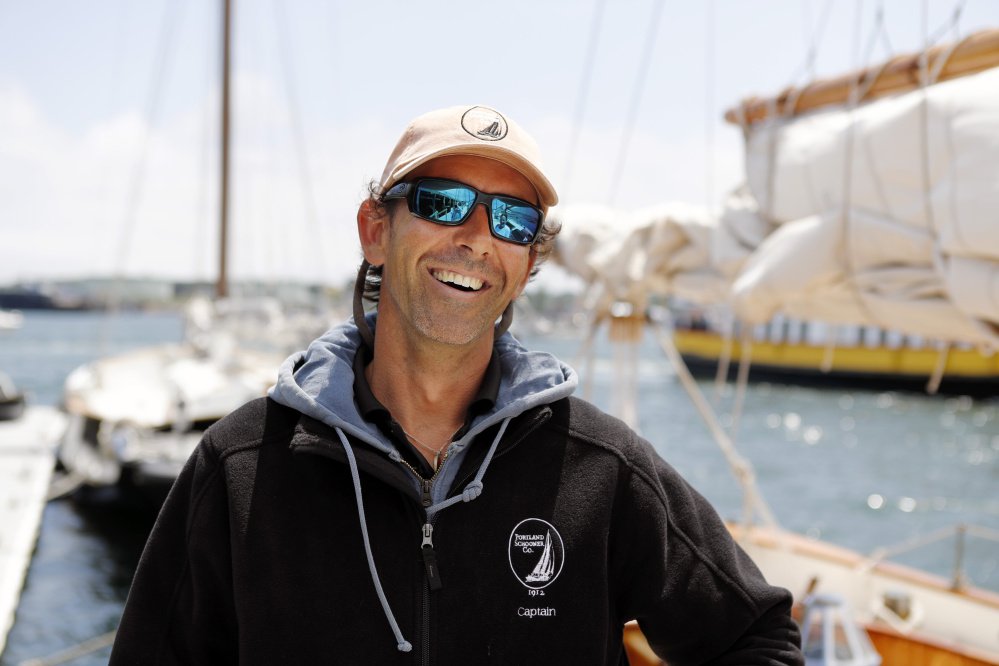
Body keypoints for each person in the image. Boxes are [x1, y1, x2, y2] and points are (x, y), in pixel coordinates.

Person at [110, 104, 803, 665]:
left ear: (529, 264)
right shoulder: (241, 467)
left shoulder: (601, 467)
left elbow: (757, 638)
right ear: (374, 230)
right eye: (442, 203)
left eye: (512, 220)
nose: (475, 236)